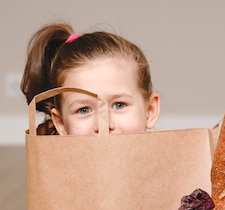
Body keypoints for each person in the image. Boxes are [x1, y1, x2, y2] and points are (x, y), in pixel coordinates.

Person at [21, 22, 160, 135]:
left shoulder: (169, 165)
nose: (104, 125)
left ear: (149, 111)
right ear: (61, 123)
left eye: (119, 105)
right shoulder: (53, 168)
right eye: (84, 110)